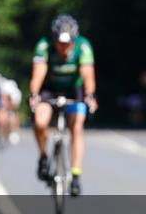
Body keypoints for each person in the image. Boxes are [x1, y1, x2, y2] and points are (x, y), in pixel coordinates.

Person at [28, 14, 98, 197]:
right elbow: (39, 72)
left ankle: (75, 176)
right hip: (49, 89)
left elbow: (87, 73)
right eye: (60, 43)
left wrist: (90, 95)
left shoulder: (83, 47)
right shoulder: (44, 46)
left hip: (74, 91)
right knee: (40, 121)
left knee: (77, 126)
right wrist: (34, 94)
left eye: (68, 43)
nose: (64, 47)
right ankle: (43, 157)